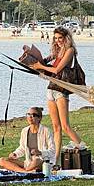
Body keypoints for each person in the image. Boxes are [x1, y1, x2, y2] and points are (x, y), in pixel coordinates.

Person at [30, 26, 85, 169]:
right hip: (51, 90)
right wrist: (35, 62)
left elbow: (56, 69)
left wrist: (39, 66)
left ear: (66, 38)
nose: (58, 41)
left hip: (61, 90)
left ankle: (82, 147)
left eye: (60, 38)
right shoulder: (57, 51)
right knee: (56, 127)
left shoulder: (70, 51)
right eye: (55, 38)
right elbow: (44, 62)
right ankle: (56, 160)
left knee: (65, 126)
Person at [0, 107, 56, 172]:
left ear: (39, 118)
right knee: (2, 160)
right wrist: (15, 154)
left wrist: (40, 152)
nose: (30, 117)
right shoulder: (24, 131)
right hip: (28, 163)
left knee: (36, 161)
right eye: (28, 114)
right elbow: (22, 148)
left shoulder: (46, 131)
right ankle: (24, 171)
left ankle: (24, 171)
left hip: (42, 162)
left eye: (34, 115)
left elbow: (52, 151)